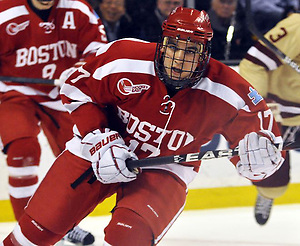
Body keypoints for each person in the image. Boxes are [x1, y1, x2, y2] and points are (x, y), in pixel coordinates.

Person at [2, 7, 285, 245]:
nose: (179, 59)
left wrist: (261, 160)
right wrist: (101, 139)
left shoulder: (229, 90)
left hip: (164, 169)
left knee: (128, 238)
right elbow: (76, 87)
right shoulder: (124, 57)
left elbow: (262, 144)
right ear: (161, 43)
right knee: (32, 235)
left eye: (190, 51)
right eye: (173, 47)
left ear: (205, 52)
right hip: (97, 152)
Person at [0, 0, 107, 244]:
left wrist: (79, 70)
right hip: (16, 93)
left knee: (77, 162)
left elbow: (99, 52)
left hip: (64, 97)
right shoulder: (4, 12)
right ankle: (25, 233)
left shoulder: (78, 9)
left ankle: (62, 224)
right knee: (22, 152)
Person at [239, 12, 300, 225]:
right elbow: (254, 63)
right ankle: (266, 195)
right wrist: (262, 109)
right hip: (280, 112)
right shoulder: (298, 27)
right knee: (274, 182)